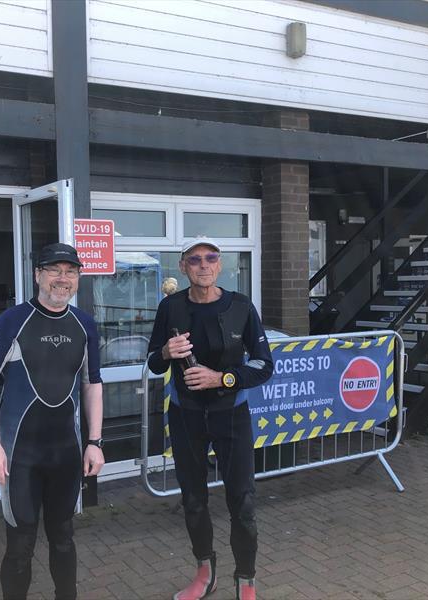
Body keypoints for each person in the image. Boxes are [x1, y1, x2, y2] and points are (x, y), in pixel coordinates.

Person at [0, 242, 105, 600]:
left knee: (63, 538)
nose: (63, 279)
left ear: (78, 279)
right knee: (20, 545)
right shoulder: (13, 320)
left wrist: (94, 442)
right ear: (38, 275)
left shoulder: (85, 324)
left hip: (66, 452)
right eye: (54, 270)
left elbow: (93, 384)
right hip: (20, 455)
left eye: (71, 272)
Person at [147, 237, 273, 600]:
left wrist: (222, 378)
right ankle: (205, 573)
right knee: (193, 500)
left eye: (211, 258)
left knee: (243, 502)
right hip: (186, 415)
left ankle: (245, 582)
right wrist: (166, 352)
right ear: (183, 267)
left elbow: (265, 366)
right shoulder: (170, 307)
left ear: (220, 265)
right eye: (195, 259)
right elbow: (154, 362)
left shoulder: (242, 307)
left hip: (230, 415)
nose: (204, 264)